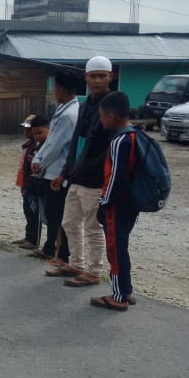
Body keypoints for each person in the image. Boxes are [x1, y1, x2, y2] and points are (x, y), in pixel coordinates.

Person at [45, 56, 116, 288]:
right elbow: (77, 142)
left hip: (96, 179)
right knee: (69, 222)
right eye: (93, 76)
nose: (96, 80)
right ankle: (76, 264)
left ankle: (94, 272)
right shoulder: (85, 106)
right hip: (76, 176)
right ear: (86, 78)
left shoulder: (111, 107)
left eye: (101, 76)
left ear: (110, 77)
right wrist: (65, 173)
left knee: (93, 228)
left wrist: (96, 172)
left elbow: (108, 147)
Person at [89, 91, 140, 312]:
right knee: (121, 246)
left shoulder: (120, 141)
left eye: (102, 116)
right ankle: (125, 290)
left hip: (117, 205)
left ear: (110, 115)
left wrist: (104, 204)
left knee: (115, 250)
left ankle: (119, 296)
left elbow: (114, 178)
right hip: (131, 202)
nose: (101, 121)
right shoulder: (135, 135)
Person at [32, 72, 80, 266]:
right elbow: (50, 140)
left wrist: (39, 165)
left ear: (61, 89)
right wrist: (37, 157)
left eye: (55, 88)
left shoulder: (69, 115)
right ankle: (51, 249)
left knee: (59, 215)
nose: (54, 92)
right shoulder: (63, 109)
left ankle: (62, 254)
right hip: (51, 169)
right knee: (53, 215)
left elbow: (56, 145)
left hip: (58, 171)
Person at [13, 114, 43, 250]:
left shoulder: (37, 148)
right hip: (25, 184)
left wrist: (28, 186)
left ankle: (34, 240)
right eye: (25, 129)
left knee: (34, 212)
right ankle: (28, 236)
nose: (26, 132)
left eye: (28, 129)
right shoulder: (28, 146)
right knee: (27, 210)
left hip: (33, 186)